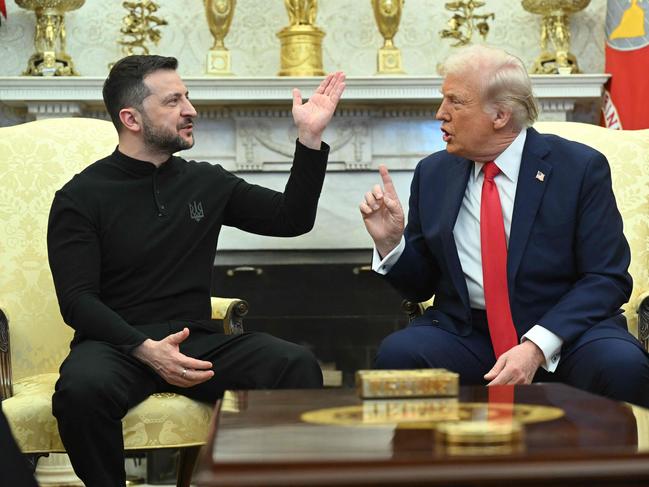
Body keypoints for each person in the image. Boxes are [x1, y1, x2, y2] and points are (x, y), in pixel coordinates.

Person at [47, 54, 345, 486]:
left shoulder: (206, 181)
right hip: (117, 346)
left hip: (195, 343)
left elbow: (291, 219)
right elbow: (77, 301)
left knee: (294, 364)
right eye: (173, 101)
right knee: (79, 392)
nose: (191, 110)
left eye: (187, 96)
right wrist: (143, 347)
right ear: (131, 118)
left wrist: (309, 139)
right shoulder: (80, 196)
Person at [360, 44, 649, 407]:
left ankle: (623, 466)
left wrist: (535, 347)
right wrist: (391, 244)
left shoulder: (579, 168)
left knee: (622, 366)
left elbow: (607, 278)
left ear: (500, 114)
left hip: (568, 332)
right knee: (400, 356)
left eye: (455, 101)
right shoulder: (434, 174)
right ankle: (425, 466)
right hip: (468, 333)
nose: (440, 114)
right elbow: (420, 286)